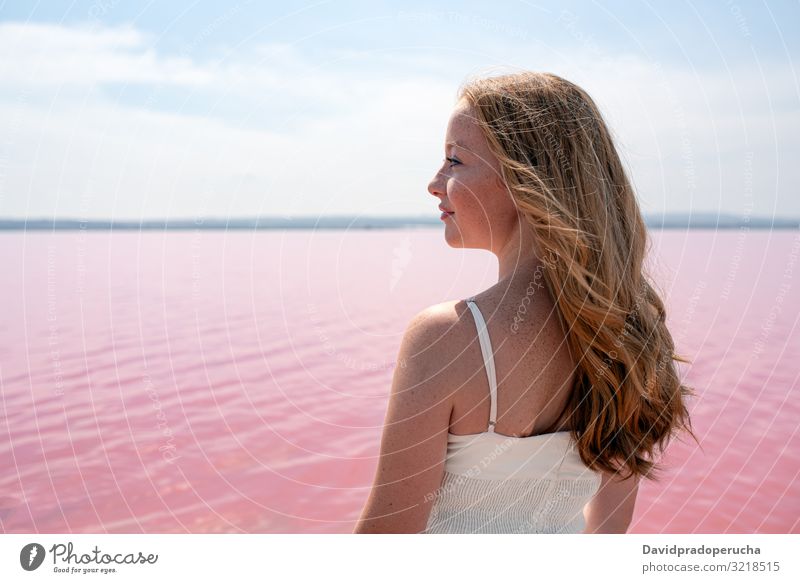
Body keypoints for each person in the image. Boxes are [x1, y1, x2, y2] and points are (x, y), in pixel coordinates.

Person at [353, 71, 696, 534]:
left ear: (524, 178)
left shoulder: (447, 337)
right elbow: (610, 531)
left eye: (455, 161)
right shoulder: (629, 333)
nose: (434, 183)